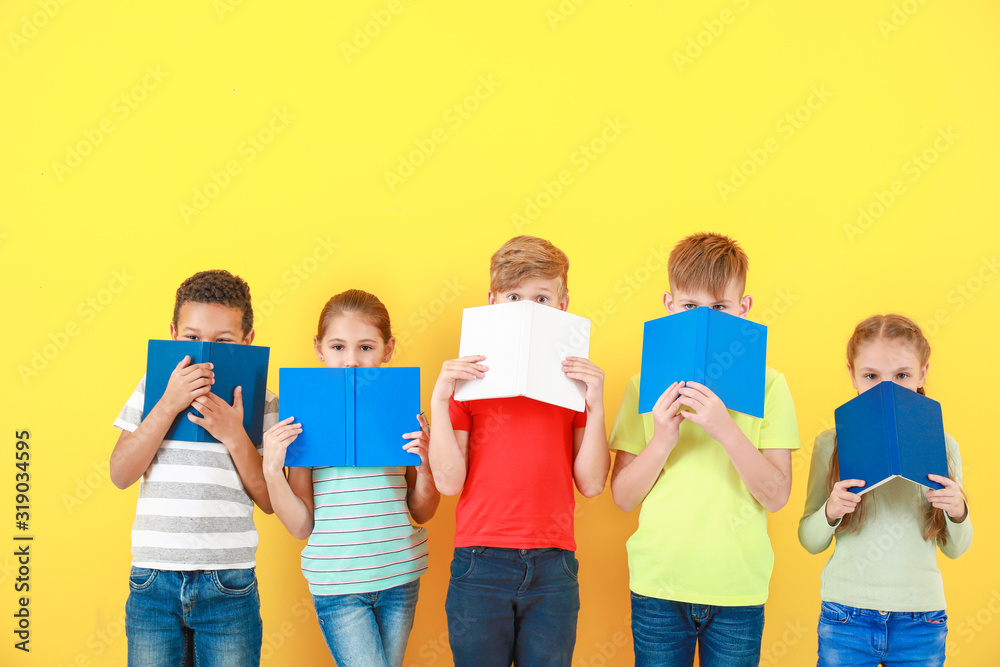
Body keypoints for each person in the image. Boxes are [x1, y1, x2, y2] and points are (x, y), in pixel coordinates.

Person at [609, 232, 800, 666]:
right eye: (690, 307)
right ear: (668, 305)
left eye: (720, 308)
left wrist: (726, 429)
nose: (705, 318)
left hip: (737, 587)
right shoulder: (644, 385)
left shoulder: (770, 384)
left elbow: (777, 495)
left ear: (744, 309)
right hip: (659, 584)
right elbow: (621, 498)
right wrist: (662, 439)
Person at [429, 235, 610, 667]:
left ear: (563, 306)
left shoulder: (575, 388)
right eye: (514, 297)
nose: (528, 308)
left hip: (554, 565)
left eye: (542, 298)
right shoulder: (469, 382)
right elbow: (450, 483)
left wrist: (596, 404)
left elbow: (590, 483)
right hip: (480, 561)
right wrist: (439, 399)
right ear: (492, 302)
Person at [262, 289, 438, 667]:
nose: (351, 361)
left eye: (366, 347)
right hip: (337, 583)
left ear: (388, 349)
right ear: (319, 348)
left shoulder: (406, 413)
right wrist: (272, 469)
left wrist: (426, 464)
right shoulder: (303, 418)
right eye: (338, 347)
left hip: (399, 575)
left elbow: (423, 511)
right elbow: (300, 525)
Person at [110, 269, 276, 667]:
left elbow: (270, 500)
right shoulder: (154, 388)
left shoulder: (262, 402)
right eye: (192, 338)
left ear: (247, 341)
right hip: (154, 578)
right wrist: (168, 404)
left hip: (228, 581)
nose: (206, 349)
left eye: (223, 341)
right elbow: (120, 472)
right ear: (173, 333)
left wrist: (235, 435)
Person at [798, 313, 972, 667]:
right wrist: (831, 511)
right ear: (852, 375)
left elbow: (956, 548)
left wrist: (957, 510)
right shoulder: (830, 443)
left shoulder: (944, 444)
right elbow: (809, 540)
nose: (886, 388)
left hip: (921, 620)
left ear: (923, 373)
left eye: (902, 375)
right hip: (846, 616)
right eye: (871, 375)